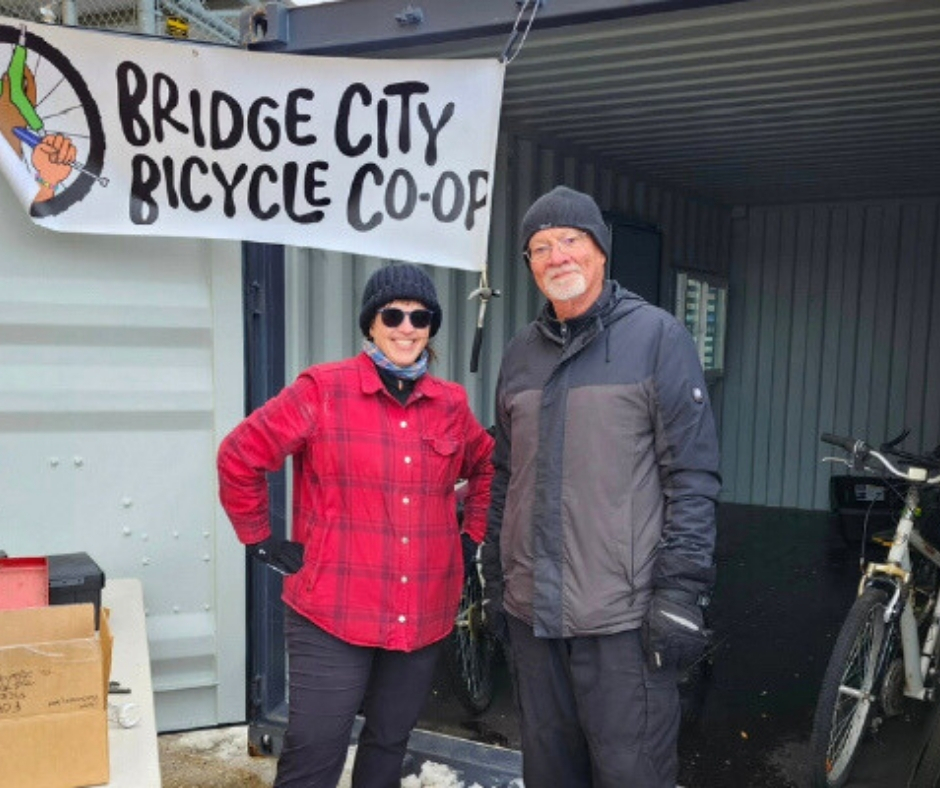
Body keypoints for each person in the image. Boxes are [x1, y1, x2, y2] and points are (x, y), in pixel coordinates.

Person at [217, 262, 494, 788]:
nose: (407, 327)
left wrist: (470, 534)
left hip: (422, 608)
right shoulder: (322, 389)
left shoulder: (450, 404)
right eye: (393, 315)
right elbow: (240, 455)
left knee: (389, 743)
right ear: (371, 322)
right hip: (334, 609)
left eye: (420, 317)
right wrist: (259, 538)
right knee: (314, 753)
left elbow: (487, 467)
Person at [482, 185, 721, 788]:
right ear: (529, 265)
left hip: (623, 620)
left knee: (631, 773)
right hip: (533, 615)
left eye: (570, 240)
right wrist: (495, 579)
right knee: (549, 772)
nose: (557, 256)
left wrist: (681, 593)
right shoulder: (520, 354)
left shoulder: (657, 338)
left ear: (600, 249)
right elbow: (506, 475)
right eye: (541, 247)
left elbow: (692, 476)